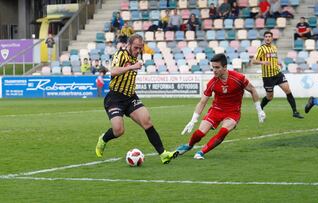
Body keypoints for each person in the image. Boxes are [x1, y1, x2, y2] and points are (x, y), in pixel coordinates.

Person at [95, 34, 178, 164]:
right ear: (129, 45)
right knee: (119, 130)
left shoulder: (136, 56)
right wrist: (132, 67)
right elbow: (114, 71)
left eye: (140, 48)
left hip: (131, 96)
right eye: (135, 48)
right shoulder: (120, 54)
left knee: (147, 122)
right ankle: (103, 139)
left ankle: (163, 154)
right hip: (115, 97)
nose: (138, 51)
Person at [176, 53, 266, 160]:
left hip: (233, 112)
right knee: (200, 133)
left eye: (217, 67)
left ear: (225, 67)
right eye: (213, 67)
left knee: (223, 131)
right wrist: (193, 120)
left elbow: (252, 90)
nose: (214, 70)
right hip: (216, 110)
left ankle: (201, 152)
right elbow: (202, 102)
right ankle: (189, 145)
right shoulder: (212, 82)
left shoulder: (238, 78)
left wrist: (259, 110)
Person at [252, 31, 304, 119]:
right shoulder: (261, 49)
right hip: (268, 77)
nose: (268, 38)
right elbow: (253, 61)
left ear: (272, 38)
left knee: (288, 90)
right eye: (266, 37)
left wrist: (278, 62)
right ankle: (260, 109)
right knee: (270, 97)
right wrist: (262, 61)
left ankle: (295, 112)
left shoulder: (274, 48)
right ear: (264, 38)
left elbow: (274, 58)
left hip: (277, 74)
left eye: (269, 36)